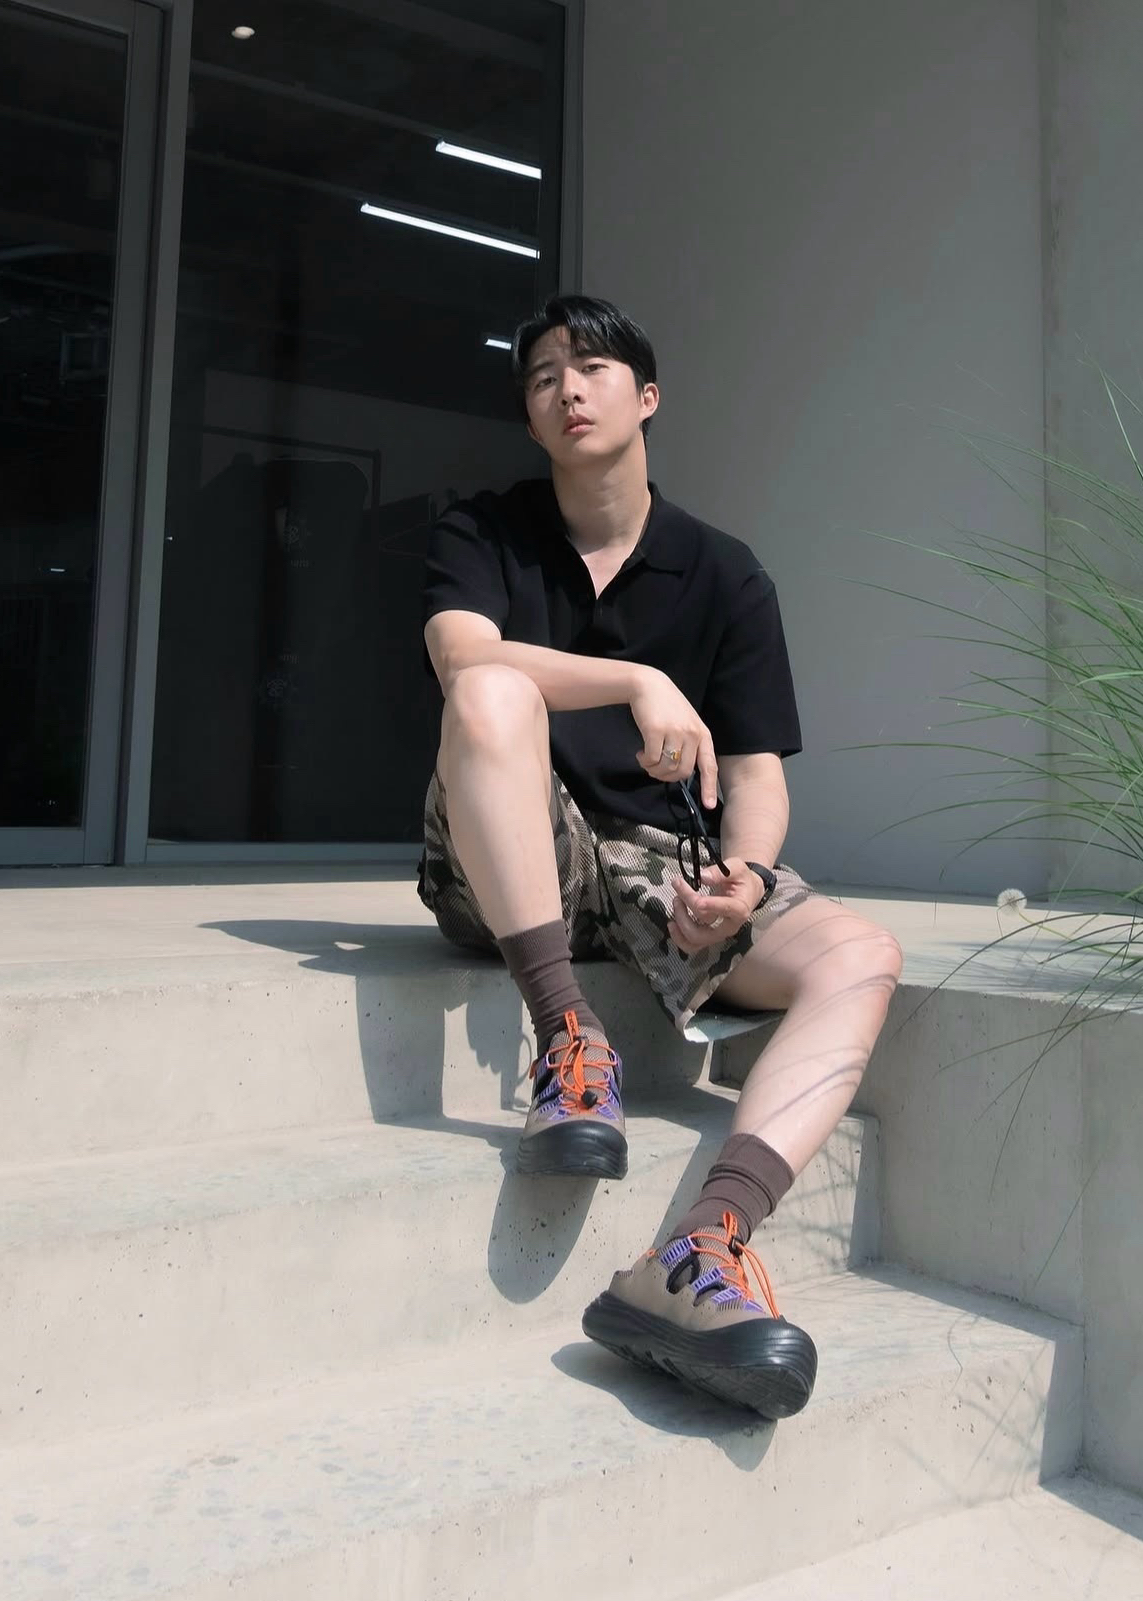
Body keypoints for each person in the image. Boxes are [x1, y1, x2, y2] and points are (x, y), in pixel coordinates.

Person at [418, 295, 903, 1419]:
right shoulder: (481, 530)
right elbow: (462, 661)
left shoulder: (726, 572)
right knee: (492, 692)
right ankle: (567, 1036)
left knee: (861, 953)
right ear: (531, 418)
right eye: (543, 376)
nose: (567, 388)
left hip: (654, 857)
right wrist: (638, 679)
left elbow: (758, 771)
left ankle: (699, 1249)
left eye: (591, 367)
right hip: (510, 850)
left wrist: (745, 879)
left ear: (646, 398)